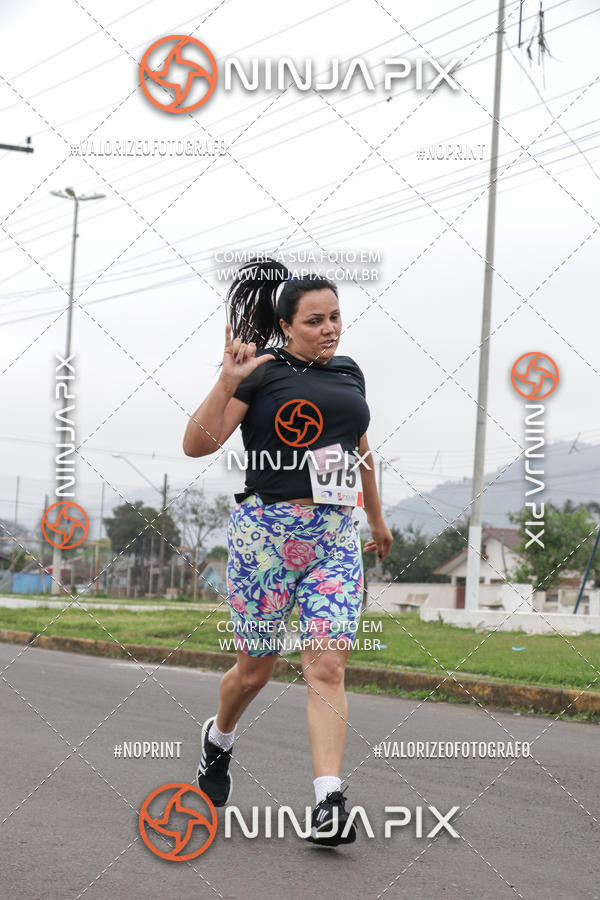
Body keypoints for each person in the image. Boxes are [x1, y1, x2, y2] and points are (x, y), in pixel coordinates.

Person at [182, 256, 392, 846]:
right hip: (265, 535)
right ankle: (217, 739)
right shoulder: (260, 373)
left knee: (326, 663)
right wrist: (226, 380)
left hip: (333, 534)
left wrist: (375, 518)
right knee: (255, 671)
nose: (330, 329)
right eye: (316, 321)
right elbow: (197, 445)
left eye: (336, 317)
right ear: (287, 324)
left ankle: (329, 802)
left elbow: (360, 452)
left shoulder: (350, 373)